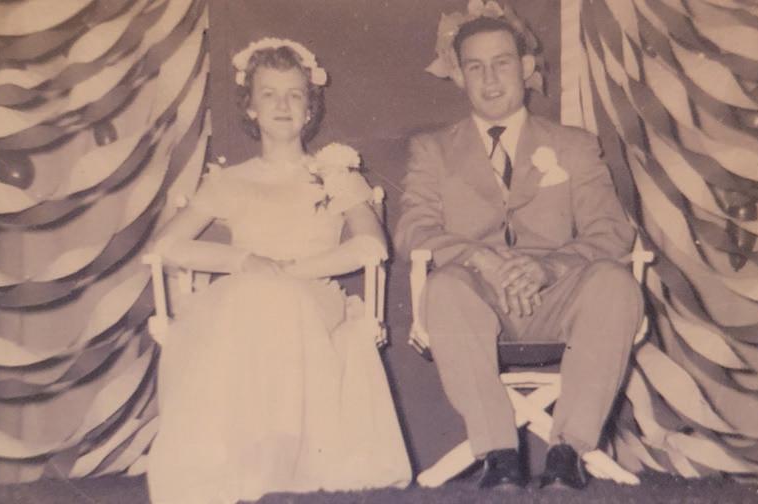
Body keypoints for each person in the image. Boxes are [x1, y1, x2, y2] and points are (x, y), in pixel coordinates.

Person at [145, 38, 410, 504]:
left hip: (311, 294)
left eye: (294, 94)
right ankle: (244, 461)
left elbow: (372, 244)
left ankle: (278, 459)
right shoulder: (229, 181)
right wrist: (244, 261)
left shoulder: (335, 173)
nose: (282, 105)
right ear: (250, 107)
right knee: (251, 299)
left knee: (278, 299)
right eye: (268, 94)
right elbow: (166, 245)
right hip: (244, 294)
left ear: (309, 109)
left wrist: (294, 270)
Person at [394, 1, 644, 491]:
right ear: (458, 76)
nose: (489, 79)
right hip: (475, 298)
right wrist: (479, 258)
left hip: (558, 298)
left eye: (502, 63)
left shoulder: (574, 145)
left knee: (615, 284)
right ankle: (499, 454)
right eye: (475, 67)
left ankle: (569, 451)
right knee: (444, 287)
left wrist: (549, 268)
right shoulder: (433, 150)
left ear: (526, 67)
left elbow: (612, 231)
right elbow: (412, 230)